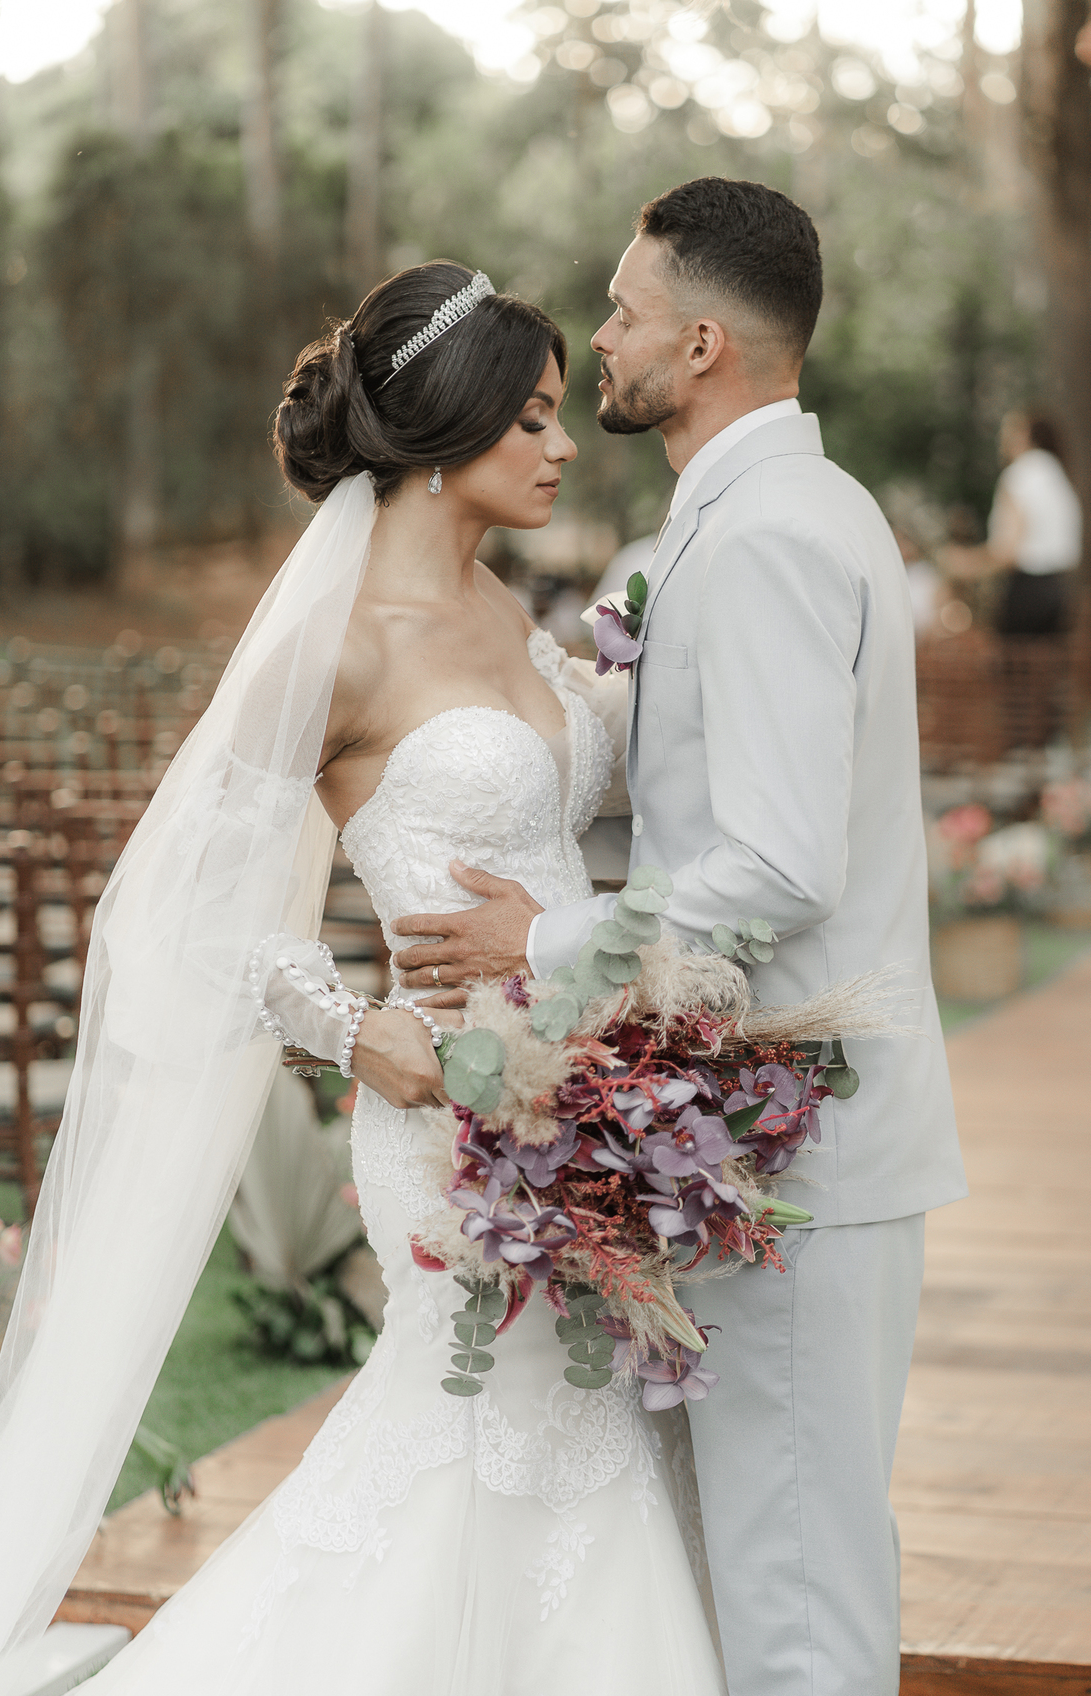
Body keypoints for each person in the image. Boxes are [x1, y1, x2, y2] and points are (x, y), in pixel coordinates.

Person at [0, 264, 723, 1696]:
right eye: (529, 418)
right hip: (446, 1114)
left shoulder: (503, 607)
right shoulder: (338, 648)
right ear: (445, 430)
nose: (562, 446)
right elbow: (178, 912)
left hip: (591, 1101)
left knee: (589, 1433)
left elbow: (564, 800)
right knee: (475, 1430)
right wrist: (357, 1032)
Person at [391, 179, 967, 1696]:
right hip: (759, 1144)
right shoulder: (777, 514)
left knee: (794, 1602)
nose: (601, 339)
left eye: (624, 312)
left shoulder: (767, 535)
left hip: (802, 1155)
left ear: (702, 344)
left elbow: (777, 860)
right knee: (781, 1571)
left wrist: (550, 940)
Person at [941, 408, 1082, 636]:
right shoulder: (1057, 473)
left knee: (1012, 657)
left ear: (1025, 436)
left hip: (1026, 593)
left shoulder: (1019, 475)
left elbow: (1007, 551)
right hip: (1061, 592)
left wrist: (966, 564)